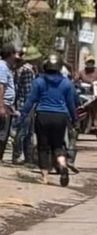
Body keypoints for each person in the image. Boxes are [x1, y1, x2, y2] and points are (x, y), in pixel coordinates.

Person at [20, 54, 78, 187]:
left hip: (43, 115)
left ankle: (45, 177)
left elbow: (31, 100)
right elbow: (70, 104)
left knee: (43, 146)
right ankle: (63, 165)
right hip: (60, 117)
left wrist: (23, 114)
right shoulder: (67, 83)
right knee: (58, 145)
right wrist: (74, 119)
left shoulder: (39, 81)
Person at [12, 46, 43, 165]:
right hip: (25, 104)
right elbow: (28, 90)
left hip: (24, 103)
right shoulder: (27, 71)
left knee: (28, 132)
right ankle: (18, 155)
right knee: (23, 131)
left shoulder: (26, 69)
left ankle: (26, 156)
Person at [76, 55, 97, 141]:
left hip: (95, 94)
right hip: (84, 94)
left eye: (92, 62)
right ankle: (76, 126)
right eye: (88, 62)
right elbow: (75, 80)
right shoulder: (82, 72)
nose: (90, 64)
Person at [0, 43, 18, 162]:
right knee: (2, 133)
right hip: (3, 104)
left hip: (7, 104)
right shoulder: (2, 67)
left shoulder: (6, 66)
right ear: (10, 54)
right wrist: (1, 106)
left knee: (4, 133)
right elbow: (1, 86)